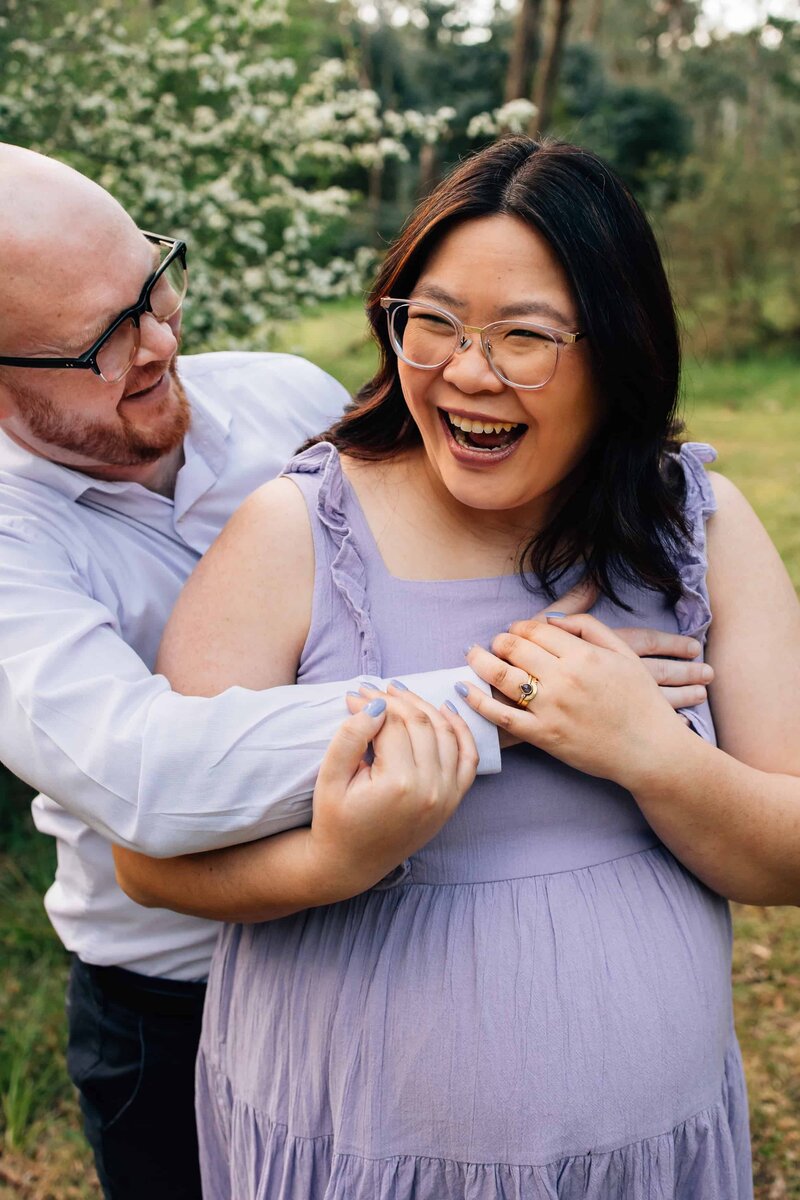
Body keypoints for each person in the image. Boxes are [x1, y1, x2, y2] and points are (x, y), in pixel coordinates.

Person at [0, 143, 707, 1198]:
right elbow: (148, 781)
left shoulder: (286, 400)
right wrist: (514, 695)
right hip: (173, 983)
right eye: (101, 338)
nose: (159, 341)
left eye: (153, 286)